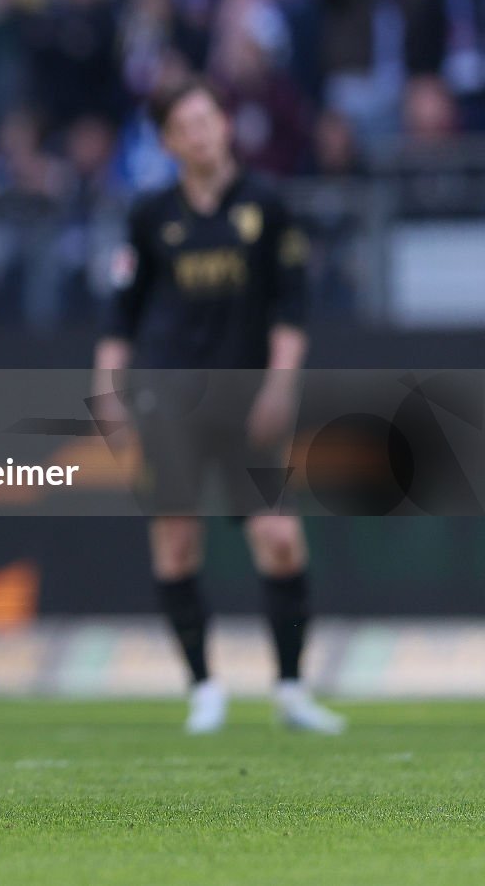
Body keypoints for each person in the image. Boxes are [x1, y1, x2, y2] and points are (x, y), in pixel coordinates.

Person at [95, 79, 346, 736]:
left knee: (280, 540)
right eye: (188, 125)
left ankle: (291, 689)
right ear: (169, 142)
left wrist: (280, 384)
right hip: (170, 397)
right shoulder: (151, 215)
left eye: (209, 118)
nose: (203, 133)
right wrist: (106, 386)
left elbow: (291, 307)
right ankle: (204, 690)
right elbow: (122, 313)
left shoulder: (267, 203)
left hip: (245, 400)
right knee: (177, 544)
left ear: (225, 125)